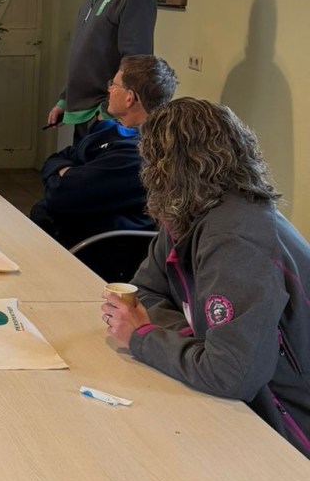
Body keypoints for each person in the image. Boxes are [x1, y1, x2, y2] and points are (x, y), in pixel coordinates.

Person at [102, 99, 310, 459]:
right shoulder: (191, 210)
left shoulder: (236, 238)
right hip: (247, 407)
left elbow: (232, 375)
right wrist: (199, 343)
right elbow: (147, 291)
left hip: (285, 434)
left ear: (163, 167)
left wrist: (144, 336)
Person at [30, 54, 177, 252]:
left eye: (114, 84)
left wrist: (69, 172)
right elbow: (57, 158)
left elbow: (61, 195)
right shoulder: (108, 130)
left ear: (129, 97)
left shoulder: (138, 153)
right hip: (61, 236)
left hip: (93, 251)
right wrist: (67, 172)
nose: (108, 89)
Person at [47, 0, 156, 139]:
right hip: (85, 111)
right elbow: (87, 54)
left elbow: (136, 62)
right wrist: (66, 100)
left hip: (105, 117)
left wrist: (106, 112)